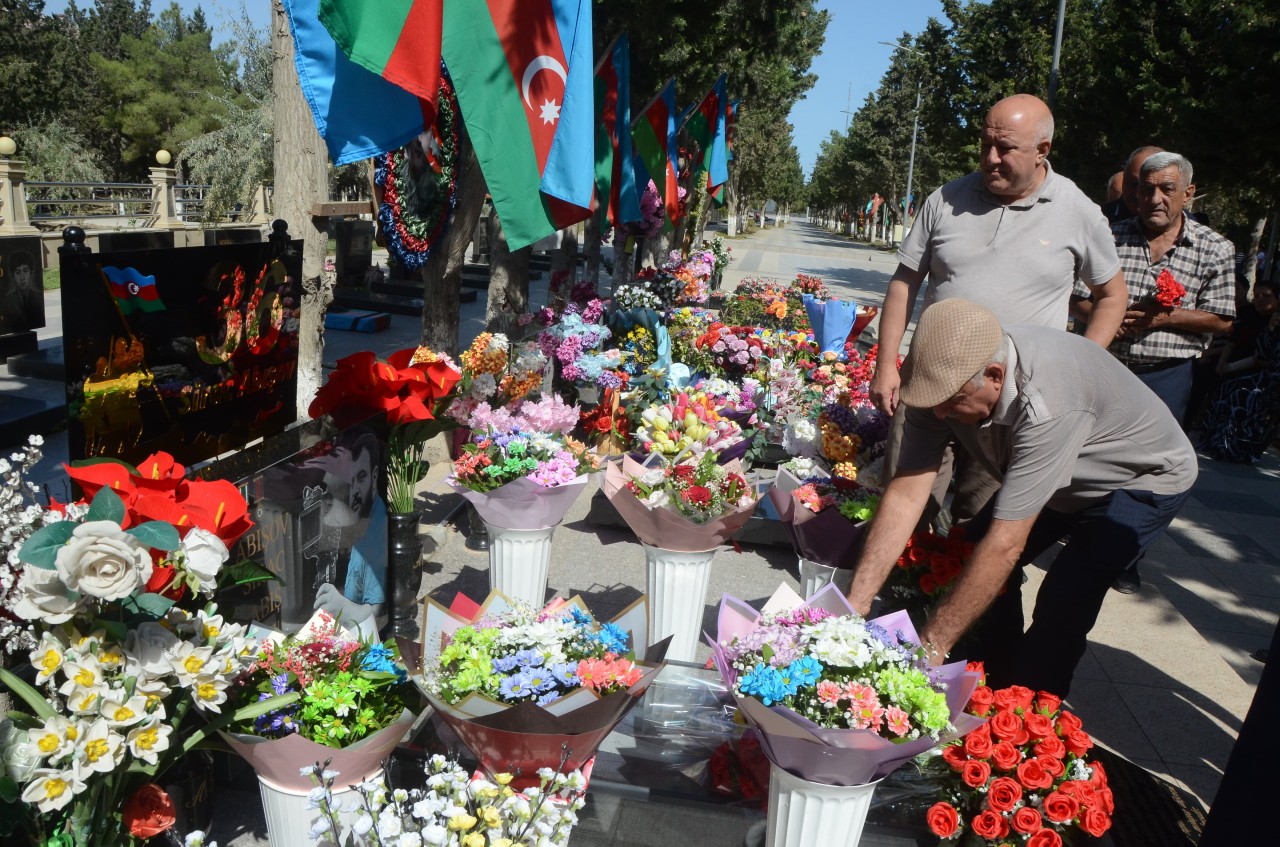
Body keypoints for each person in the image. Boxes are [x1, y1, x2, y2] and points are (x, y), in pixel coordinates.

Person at [849, 299, 1196, 697]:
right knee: (968, 552)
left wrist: (927, 650)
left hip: (1139, 478)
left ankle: (1024, 710)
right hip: (1062, 471)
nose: (941, 415)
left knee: (1064, 599)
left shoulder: (1048, 401)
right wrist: (854, 607)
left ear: (995, 376)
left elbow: (1006, 546)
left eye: (953, 404)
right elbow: (907, 490)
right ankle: (989, 678)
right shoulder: (937, 382)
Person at [871, 92, 1128, 524]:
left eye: (1005, 147)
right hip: (929, 382)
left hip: (1007, 401)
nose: (991, 158)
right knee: (903, 497)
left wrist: (1082, 366)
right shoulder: (946, 199)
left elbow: (1112, 296)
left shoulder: (1078, 212)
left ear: (1042, 150)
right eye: (985, 143)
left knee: (983, 515)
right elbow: (905, 282)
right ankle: (893, 580)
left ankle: (960, 587)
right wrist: (886, 364)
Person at [1077, 152, 1235, 592]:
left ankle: (1125, 554)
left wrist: (1165, 318)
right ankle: (1083, 534)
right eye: (1146, 189)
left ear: (1188, 193)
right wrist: (1106, 313)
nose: (1155, 198)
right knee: (1088, 450)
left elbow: (1223, 318)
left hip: (1167, 374)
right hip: (1107, 366)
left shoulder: (1214, 248)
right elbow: (1077, 297)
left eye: (1167, 189)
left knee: (1148, 467)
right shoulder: (1109, 236)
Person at [1198, 278, 1280, 462]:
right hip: (1244, 366)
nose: (1260, 299)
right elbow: (1234, 342)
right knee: (1221, 382)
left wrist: (1229, 367)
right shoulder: (1252, 316)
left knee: (1245, 390)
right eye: (1257, 295)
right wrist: (1223, 363)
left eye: (1266, 296)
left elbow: (1262, 359)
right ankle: (1216, 441)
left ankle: (1235, 447)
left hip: (1264, 374)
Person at [1100, 145, 1162, 225]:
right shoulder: (1100, 219)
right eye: (1132, 183)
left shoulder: (1180, 224)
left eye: (1147, 186)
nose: (1137, 194)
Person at [1, 250, 42, 330]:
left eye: (25, 271)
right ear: (13, 275)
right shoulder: (8, 301)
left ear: (31, 272)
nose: (22, 278)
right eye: (18, 272)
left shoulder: (39, 297)